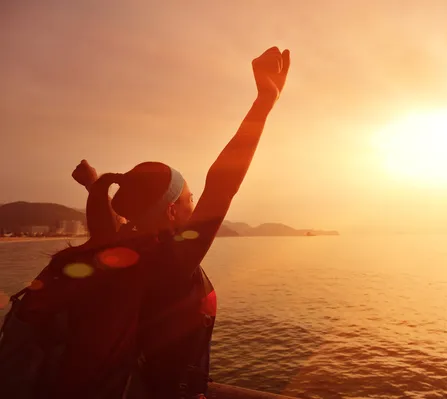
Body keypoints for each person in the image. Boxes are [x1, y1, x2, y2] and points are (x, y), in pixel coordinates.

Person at [12, 46, 290, 399]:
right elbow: (223, 184)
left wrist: (94, 184)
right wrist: (264, 102)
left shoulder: (114, 252)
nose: (196, 206)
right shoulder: (170, 261)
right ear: (171, 211)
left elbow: (109, 225)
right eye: (190, 200)